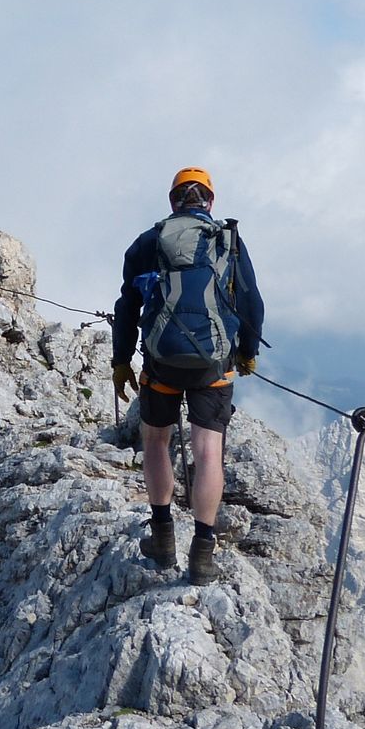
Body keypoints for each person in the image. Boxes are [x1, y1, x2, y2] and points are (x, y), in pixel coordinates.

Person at [111, 167, 264, 583]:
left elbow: (127, 305)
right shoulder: (226, 240)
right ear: (210, 202)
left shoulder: (150, 241)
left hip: (162, 359)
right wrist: (247, 352)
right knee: (208, 451)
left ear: (173, 201)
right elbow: (251, 301)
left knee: (156, 440)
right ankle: (202, 554)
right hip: (213, 365)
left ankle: (162, 540)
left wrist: (121, 361)